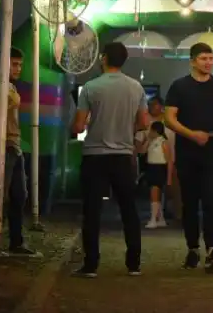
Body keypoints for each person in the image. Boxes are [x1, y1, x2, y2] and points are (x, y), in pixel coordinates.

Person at [71, 42, 149, 278]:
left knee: (92, 211)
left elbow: (78, 125)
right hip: (123, 156)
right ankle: (133, 263)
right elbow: (144, 123)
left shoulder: (91, 88)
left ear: (103, 58)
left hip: (95, 155)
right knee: (129, 209)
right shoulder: (136, 88)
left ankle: (91, 265)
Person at [165, 43, 213, 272]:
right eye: (204, 58)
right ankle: (193, 247)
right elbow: (169, 119)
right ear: (193, 61)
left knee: (212, 201)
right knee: (190, 203)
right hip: (188, 151)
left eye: (211, 58)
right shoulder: (179, 86)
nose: (208, 62)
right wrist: (191, 134)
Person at [0, 47, 38, 256]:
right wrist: (13, 101)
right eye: (14, 64)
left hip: (13, 146)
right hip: (0, 146)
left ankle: (16, 242)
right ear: (3, 63)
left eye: (20, 65)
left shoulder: (9, 86)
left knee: (19, 196)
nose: (18, 69)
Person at [144, 121, 173, 229]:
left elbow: (169, 160)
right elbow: (141, 151)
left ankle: (153, 219)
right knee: (154, 194)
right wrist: (147, 140)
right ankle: (160, 219)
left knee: (155, 193)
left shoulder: (163, 142)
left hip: (159, 168)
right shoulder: (151, 141)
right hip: (151, 167)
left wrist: (169, 178)